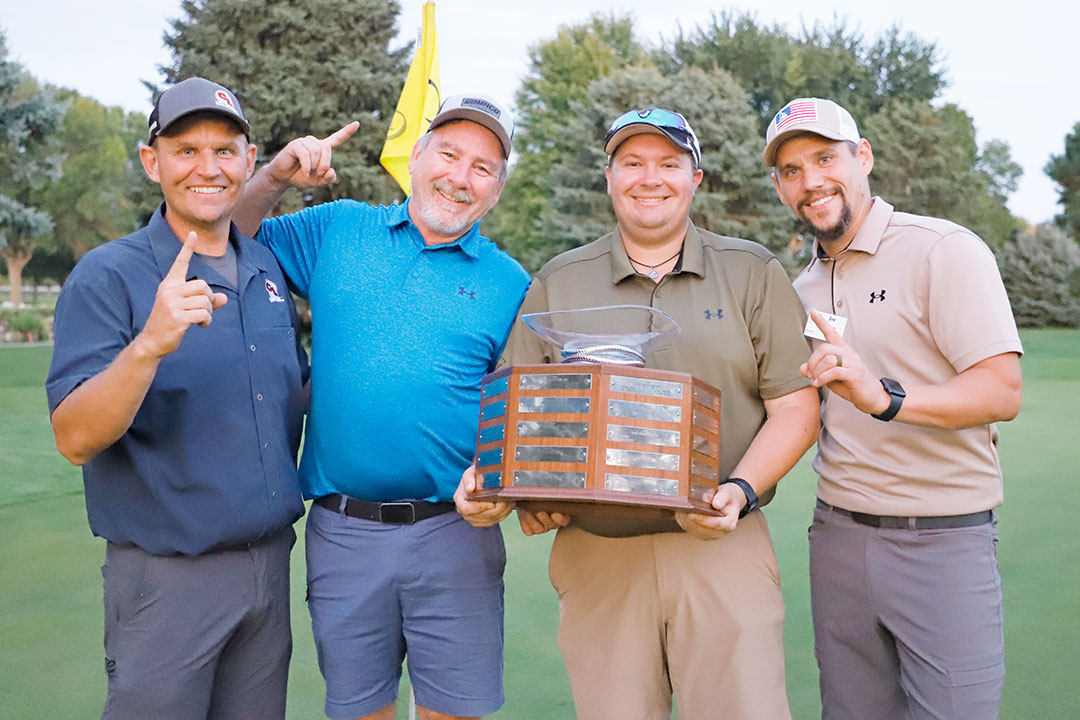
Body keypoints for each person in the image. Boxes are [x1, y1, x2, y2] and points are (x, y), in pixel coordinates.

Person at [456, 107, 820, 720]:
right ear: (608, 178)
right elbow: (519, 423)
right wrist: (501, 490)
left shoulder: (751, 270)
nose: (649, 178)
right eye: (632, 163)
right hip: (598, 554)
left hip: (719, 543)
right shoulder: (557, 282)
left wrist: (739, 491)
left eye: (668, 164)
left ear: (695, 179)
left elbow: (795, 407)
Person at [232, 94, 529, 720]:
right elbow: (229, 233)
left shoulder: (511, 284)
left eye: (483, 167)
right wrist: (277, 175)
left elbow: (521, 410)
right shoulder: (338, 228)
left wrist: (500, 482)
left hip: (456, 533)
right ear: (417, 157)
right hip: (344, 532)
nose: (459, 176)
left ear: (496, 190)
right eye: (448, 154)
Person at [46, 77, 309, 720]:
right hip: (167, 583)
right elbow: (74, 437)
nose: (207, 168)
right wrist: (147, 347)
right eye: (186, 149)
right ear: (152, 161)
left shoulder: (265, 269)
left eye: (225, 150)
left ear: (247, 160)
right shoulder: (110, 275)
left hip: (268, 573)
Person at [762, 96, 1024, 720]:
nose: (810, 182)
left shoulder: (942, 250)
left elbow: (1001, 391)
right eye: (790, 172)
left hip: (943, 541)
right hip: (838, 540)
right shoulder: (798, 289)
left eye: (825, 158)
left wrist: (885, 398)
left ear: (864, 158)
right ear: (778, 188)